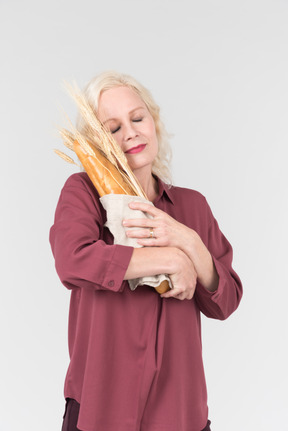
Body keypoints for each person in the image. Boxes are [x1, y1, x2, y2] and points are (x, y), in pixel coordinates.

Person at [49, 71, 243, 431]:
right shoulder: (83, 193)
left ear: (153, 122)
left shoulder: (193, 206)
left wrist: (190, 244)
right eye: (113, 128)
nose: (131, 133)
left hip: (180, 415)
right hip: (100, 411)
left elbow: (226, 300)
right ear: (98, 141)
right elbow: (73, 260)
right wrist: (170, 259)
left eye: (137, 118)